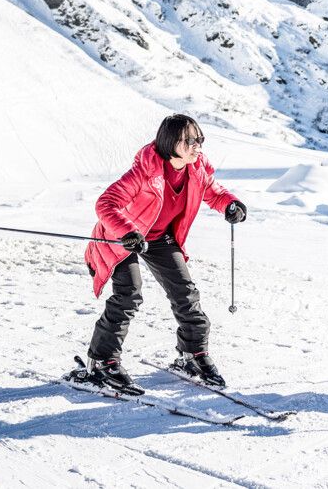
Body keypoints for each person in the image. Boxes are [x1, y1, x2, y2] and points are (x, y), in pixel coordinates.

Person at [82, 114, 247, 394]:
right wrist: (128, 232)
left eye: (200, 139)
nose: (198, 146)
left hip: (158, 238)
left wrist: (230, 204)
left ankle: (192, 355)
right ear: (172, 143)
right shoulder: (145, 172)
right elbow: (106, 203)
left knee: (185, 293)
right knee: (129, 293)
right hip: (123, 237)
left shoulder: (197, 169)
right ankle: (101, 361)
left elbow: (213, 191)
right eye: (190, 140)